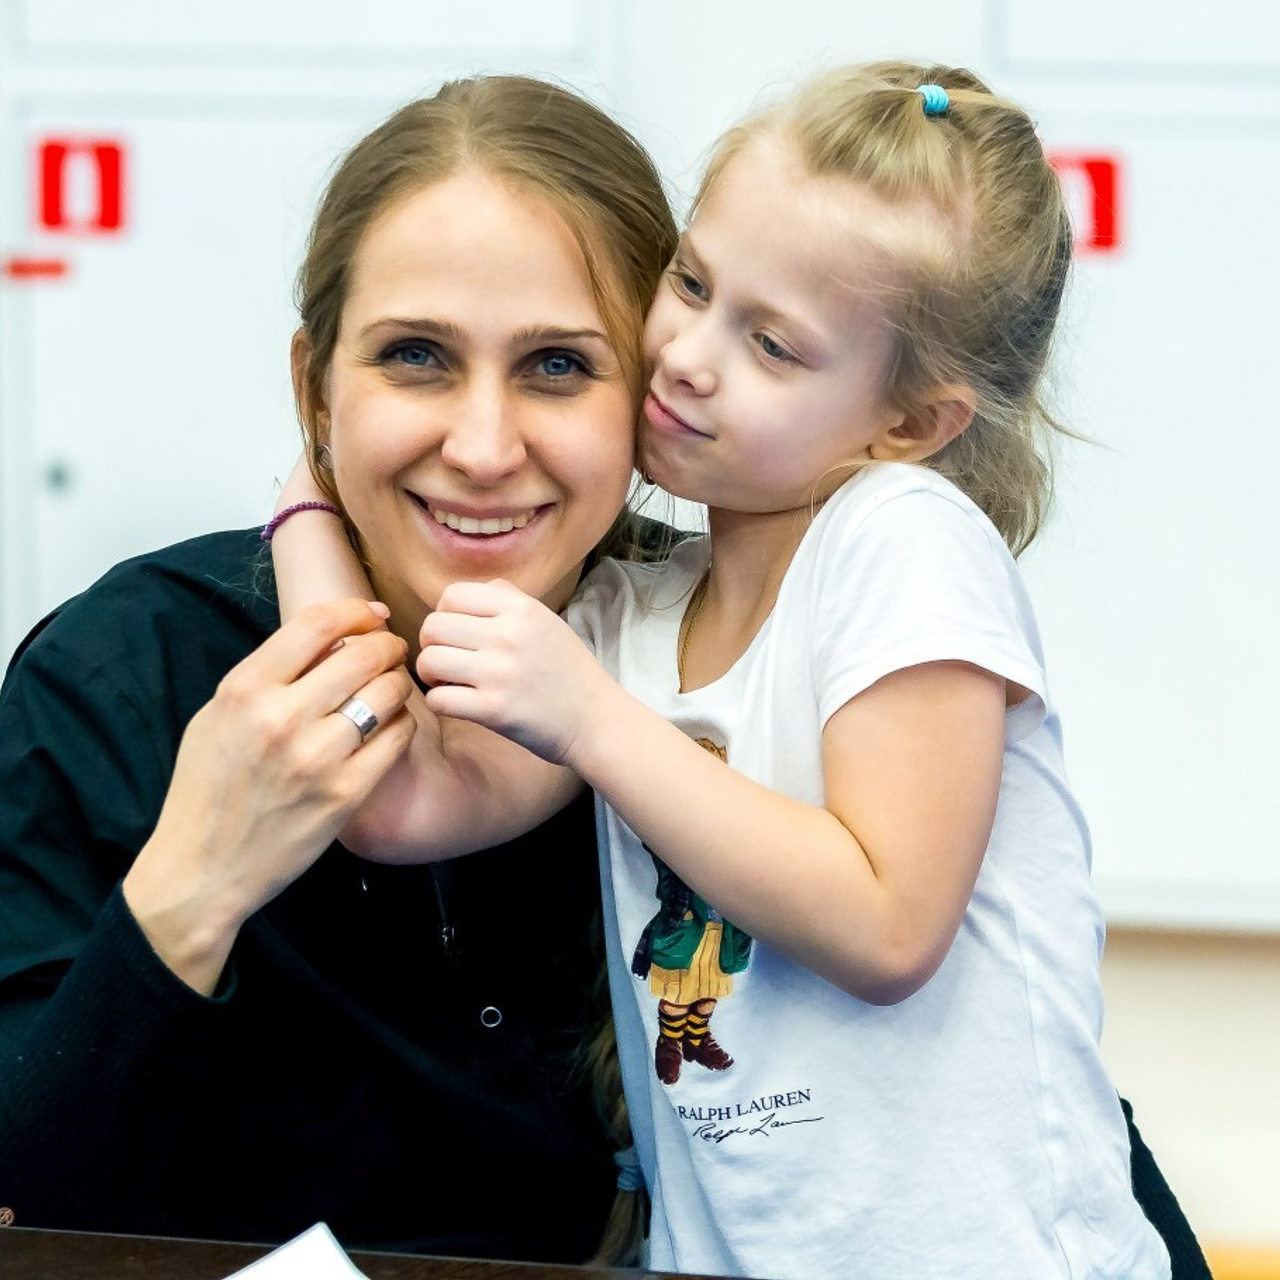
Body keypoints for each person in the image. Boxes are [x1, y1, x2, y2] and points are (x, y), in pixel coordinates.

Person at [271, 62, 1205, 1278]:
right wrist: (309, 504)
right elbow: (392, 800)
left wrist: (596, 724)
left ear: (907, 423)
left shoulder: (901, 539)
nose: (686, 357)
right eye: (692, 283)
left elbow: (886, 923)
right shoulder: (626, 610)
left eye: (769, 342)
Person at [0, 74, 677, 1263]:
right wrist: (195, 882)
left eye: (559, 366)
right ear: (315, 387)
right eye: (416, 356)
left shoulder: (730, 665)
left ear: (651, 404)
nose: (480, 445)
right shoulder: (123, 672)